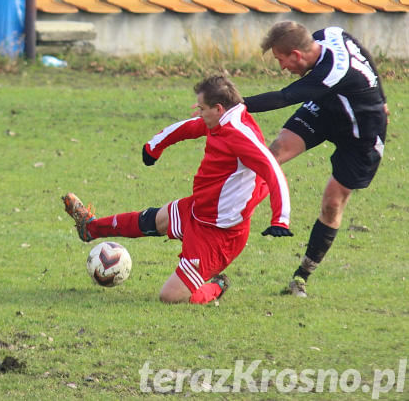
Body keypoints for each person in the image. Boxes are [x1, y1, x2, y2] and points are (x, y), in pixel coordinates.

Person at [62, 75, 293, 305]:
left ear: (219, 108)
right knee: (152, 220)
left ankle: (217, 286)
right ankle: (90, 229)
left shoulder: (240, 134)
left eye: (202, 108)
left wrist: (280, 219)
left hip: (218, 234)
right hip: (198, 209)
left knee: (170, 297)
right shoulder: (221, 120)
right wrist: (154, 147)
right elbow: (190, 126)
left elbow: (272, 169)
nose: (199, 113)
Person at [244, 21, 388, 298]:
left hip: (361, 133)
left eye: (281, 60)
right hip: (326, 107)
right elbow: (363, 52)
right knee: (270, 156)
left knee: (332, 203)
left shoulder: (331, 72)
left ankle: (302, 275)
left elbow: (285, 97)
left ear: (296, 55)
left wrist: (233, 103)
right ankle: (223, 221)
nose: (282, 67)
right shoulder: (329, 34)